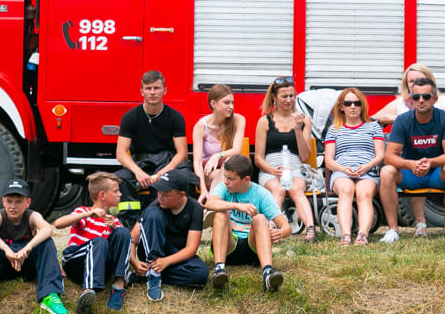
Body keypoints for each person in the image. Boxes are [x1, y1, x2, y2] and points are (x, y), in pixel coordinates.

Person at [379, 77, 445, 243]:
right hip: (410, 172)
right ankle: (392, 230)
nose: (421, 100)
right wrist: (411, 164)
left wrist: (431, 162)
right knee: (386, 171)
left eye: (426, 97)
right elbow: (389, 156)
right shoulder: (403, 120)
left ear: (435, 99)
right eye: (416, 97)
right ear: (411, 99)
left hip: (435, 171)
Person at [0, 179, 67, 314]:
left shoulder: (32, 216)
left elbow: (47, 229)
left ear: (28, 202)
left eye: (19, 201)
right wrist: (6, 249)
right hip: (2, 267)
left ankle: (50, 295)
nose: (13, 206)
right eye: (9, 201)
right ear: (3, 201)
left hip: (27, 266)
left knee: (47, 241)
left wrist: (27, 248)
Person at [115, 71, 195, 227]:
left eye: (157, 88)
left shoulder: (175, 117)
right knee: (121, 178)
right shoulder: (130, 117)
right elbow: (120, 152)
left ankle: (179, 221)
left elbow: (182, 153)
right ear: (142, 91)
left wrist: (163, 172)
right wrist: (138, 172)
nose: (152, 92)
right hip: (140, 162)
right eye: (148, 88)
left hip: (167, 161)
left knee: (186, 176)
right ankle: (129, 223)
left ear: (165, 90)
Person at [205, 155, 290, 292]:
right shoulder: (223, 187)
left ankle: (267, 273)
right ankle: (219, 269)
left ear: (246, 180)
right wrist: (237, 206)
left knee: (260, 218)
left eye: (231, 179)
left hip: (253, 249)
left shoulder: (261, 193)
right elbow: (209, 203)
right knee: (221, 212)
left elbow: (287, 227)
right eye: (225, 177)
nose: (226, 181)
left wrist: (280, 233)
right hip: (228, 247)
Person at [53, 172, 130, 314]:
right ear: (102, 195)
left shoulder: (113, 221)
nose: (120, 194)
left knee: (123, 232)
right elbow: (58, 224)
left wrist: (114, 228)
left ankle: (119, 287)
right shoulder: (84, 212)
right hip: (75, 263)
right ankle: (88, 291)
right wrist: (89, 214)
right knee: (99, 242)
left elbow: (124, 248)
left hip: (100, 267)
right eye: (116, 191)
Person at [254, 76, 317, 242]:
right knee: (278, 189)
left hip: (295, 166)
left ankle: (310, 229)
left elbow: (304, 156)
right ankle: (272, 229)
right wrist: (273, 170)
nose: (289, 100)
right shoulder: (264, 121)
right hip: (270, 168)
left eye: (291, 95)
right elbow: (258, 159)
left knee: (296, 189)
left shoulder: (303, 120)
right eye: (284, 96)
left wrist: (297, 130)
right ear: (274, 97)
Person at [128, 172, 208, 300]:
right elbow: (132, 239)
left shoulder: (195, 209)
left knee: (201, 274)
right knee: (152, 213)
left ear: (181, 195)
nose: (160, 197)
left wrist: (166, 261)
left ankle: (148, 274)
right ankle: (153, 274)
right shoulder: (155, 206)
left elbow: (191, 249)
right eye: (159, 193)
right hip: (151, 253)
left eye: (166, 195)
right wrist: (134, 262)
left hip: (174, 257)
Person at [323, 88, 385, 245]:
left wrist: (367, 166)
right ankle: (345, 235)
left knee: (364, 194)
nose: (352, 106)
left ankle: (362, 235)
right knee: (346, 190)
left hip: (367, 171)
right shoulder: (334, 130)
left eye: (357, 103)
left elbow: (380, 155)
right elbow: (328, 160)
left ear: (362, 106)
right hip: (342, 171)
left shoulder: (374, 127)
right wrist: (341, 169)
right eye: (348, 103)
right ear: (341, 107)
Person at [192, 84, 246, 205]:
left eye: (232, 102)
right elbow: (197, 162)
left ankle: (212, 204)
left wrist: (217, 155)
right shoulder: (201, 126)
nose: (231, 106)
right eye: (226, 103)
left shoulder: (239, 120)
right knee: (219, 175)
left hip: (231, 171)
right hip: (208, 175)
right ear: (213, 104)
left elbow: (237, 149)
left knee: (230, 161)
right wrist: (203, 190)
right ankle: (216, 204)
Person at [372, 63, 445, 125]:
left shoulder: (442, 100)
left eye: (420, 79)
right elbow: (370, 120)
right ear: (406, 85)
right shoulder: (401, 102)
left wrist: (400, 119)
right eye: (411, 81)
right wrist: (387, 118)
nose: (416, 84)